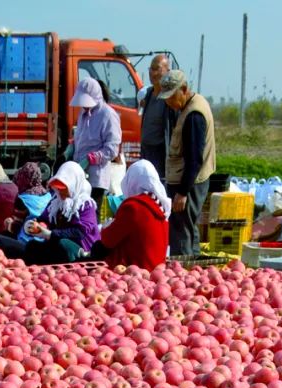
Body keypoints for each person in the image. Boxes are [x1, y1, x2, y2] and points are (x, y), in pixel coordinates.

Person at [160, 68, 215, 259]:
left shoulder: (194, 115)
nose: (168, 102)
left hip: (189, 183)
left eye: (171, 96)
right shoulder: (188, 107)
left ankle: (181, 274)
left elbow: (194, 159)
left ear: (183, 89)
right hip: (188, 181)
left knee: (181, 231)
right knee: (188, 227)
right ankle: (196, 272)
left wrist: (182, 192)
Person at [0, 162, 99, 263]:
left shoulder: (86, 205)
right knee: (32, 246)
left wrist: (50, 234)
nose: (60, 192)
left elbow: (79, 232)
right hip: (57, 246)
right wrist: (34, 226)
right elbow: (44, 218)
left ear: (73, 186)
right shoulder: (56, 202)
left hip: (80, 251)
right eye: (57, 189)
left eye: (63, 189)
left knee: (63, 244)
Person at [89, 160, 170, 270]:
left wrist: (105, 228)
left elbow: (108, 240)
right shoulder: (162, 206)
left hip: (134, 269)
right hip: (157, 268)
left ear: (132, 180)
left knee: (97, 249)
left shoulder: (133, 206)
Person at [68, 77, 124, 203]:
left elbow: (112, 149)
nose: (84, 106)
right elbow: (81, 137)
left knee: (92, 214)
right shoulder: (83, 113)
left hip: (96, 178)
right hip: (79, 175)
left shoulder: (108, 115)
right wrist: (71, 148)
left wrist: (91, 158)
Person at [139, 54, 174, 182]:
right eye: (151, 69)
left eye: (157, 69)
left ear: (167, 71)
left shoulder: (170, 98)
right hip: (146, 151)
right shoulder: (148, 95)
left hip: (161, 153)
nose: (153, 73)